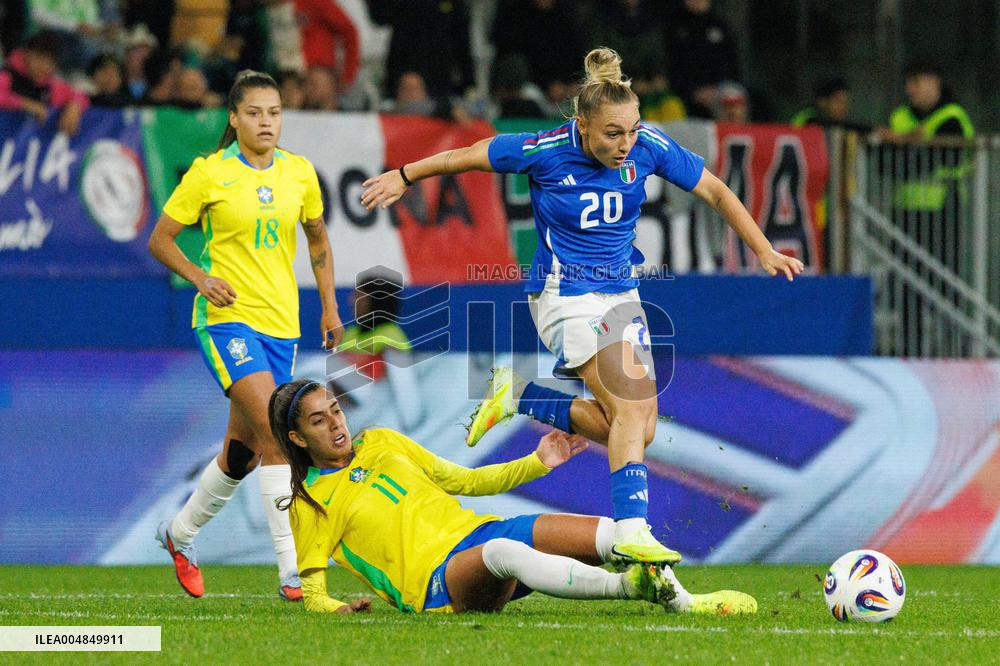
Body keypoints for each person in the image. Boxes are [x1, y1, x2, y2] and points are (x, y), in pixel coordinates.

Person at [361, 48, 803, 568]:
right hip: (563, 295)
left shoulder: (649, 147)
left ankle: (521, 397)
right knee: (631, 408)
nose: (626, 145)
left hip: (621, 294)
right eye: (613, 134)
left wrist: (763, 249)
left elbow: (716, 191)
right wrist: (405, 175)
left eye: (633, 130)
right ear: (582, 124)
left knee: (641, 427)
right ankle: (631, 529)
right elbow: (468, 154)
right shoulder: (546, 149)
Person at [272, 378, 758, 615]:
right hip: (438, 583)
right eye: (319, 420)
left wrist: (535, 462)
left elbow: (463, 481)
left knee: (615, 533)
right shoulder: (310, 501)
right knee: (506, 553)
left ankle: (688, 605)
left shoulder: (380, 441)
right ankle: (630, 588)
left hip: (479, 534)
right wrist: (339, 609)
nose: (336, 423)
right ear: (297, 438)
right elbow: (311, 593)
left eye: (335, 410)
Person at [148, 70, 343, 601]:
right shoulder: (210, 174)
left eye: (274, 113)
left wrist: (329, 307)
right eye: (254, 113)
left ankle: (179, 534)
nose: (265, 122)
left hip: (283, 328)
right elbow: (160, 240)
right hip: (227, 321)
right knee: (283, 438)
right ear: (233, 118)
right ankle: (293, 571)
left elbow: (319, 242)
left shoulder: (299, 174)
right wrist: (200, 278)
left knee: (243, 453)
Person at [0, 31, 88, 136]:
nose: (44, 67)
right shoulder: (7, 75)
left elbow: (79, 95)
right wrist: (27, 104)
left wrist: (74, 107)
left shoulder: (51, 86)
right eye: (39, 58)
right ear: (26, 54)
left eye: (50, 62)